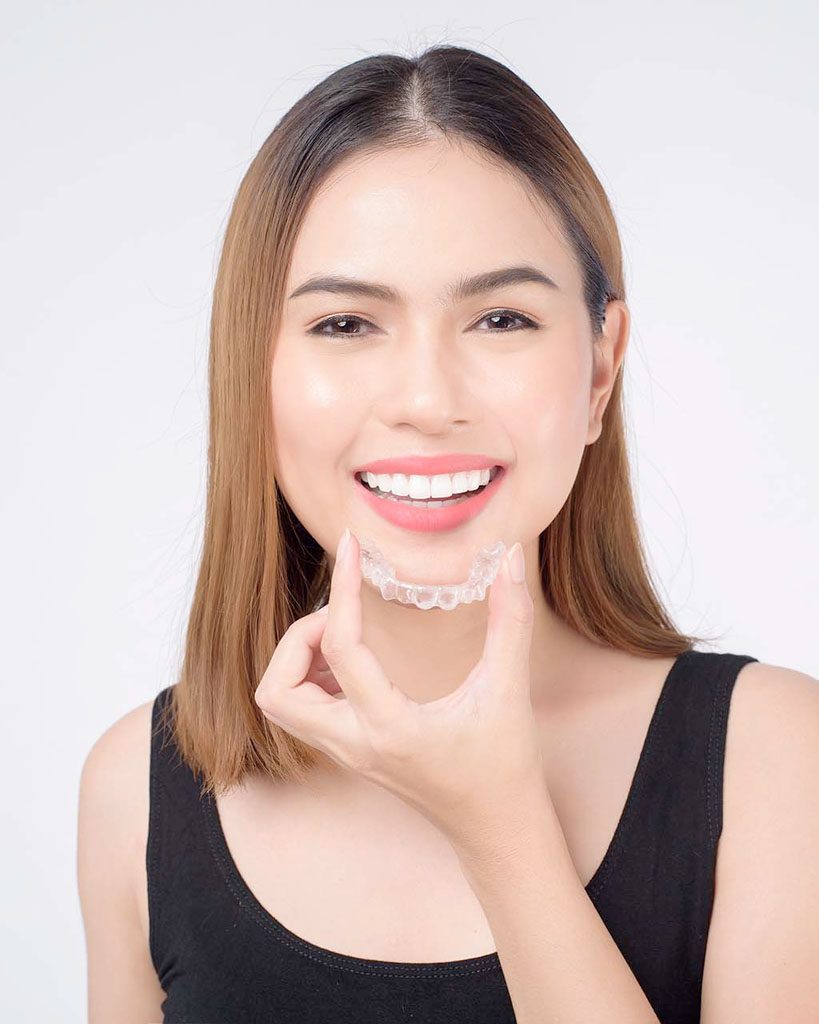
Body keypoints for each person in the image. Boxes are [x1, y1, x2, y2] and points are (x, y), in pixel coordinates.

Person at [76, 44, 819, 1024]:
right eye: (345, 324)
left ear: (600, 373)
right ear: (250, 375)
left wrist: (501, 827)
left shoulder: (775, 759)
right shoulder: (137, 788)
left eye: (501, 318)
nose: (426, 401)